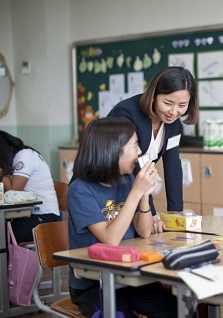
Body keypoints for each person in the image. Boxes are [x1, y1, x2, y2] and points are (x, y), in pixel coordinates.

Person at [67, 117, 177, 318]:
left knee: (176, 309)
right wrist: (136, 192)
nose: (139, 152)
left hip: (127, 276)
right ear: (112, 149)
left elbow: (144, 231)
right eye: (134, 145)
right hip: (92, 282)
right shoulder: (80, 190)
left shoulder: (126, 180)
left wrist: (144, 195)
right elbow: (111, 239)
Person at [107, 66, 198, 233]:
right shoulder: (127, 113)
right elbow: (132, 166)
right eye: (168, 103)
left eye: (182, 105)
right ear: (154, 94)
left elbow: (173, 167)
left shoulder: (173, 124)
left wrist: (175, 213)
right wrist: (151, 212)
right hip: (113, 188)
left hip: (137, 191)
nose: (174, 111)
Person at [0, 130, 60, 242]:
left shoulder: (25, 155)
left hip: (45, 217)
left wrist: (1, 175)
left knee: (3, 234)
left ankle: (9, 260)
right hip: (25, 215)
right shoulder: (11, 161)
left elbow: (13, 190)